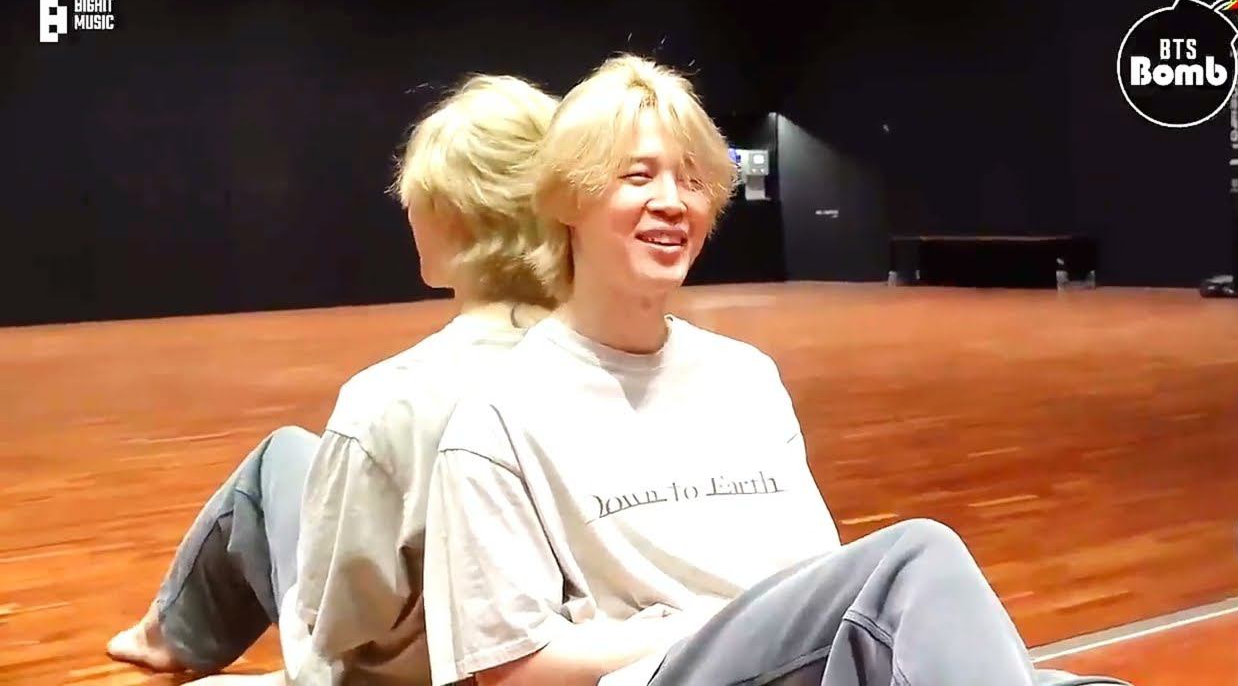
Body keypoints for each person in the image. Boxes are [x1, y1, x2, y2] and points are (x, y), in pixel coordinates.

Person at [421, 55, 1132, 686]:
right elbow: (513, 670)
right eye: (638, 176)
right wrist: (703, 628)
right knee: (917, 556)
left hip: (796, 665)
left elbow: (817, 584)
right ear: (568, 200)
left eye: (693, 180)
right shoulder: (497, 419)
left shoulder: (746, 378)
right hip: (670, 672)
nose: (673, 201)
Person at [105, 73, 561, 684]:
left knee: (276, 465)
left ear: (451, 217)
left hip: (400, 676)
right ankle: (169, 630)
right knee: (290, 454)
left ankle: (168, 634)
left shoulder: (390, 401)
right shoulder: (621, 366)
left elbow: (341, 624)